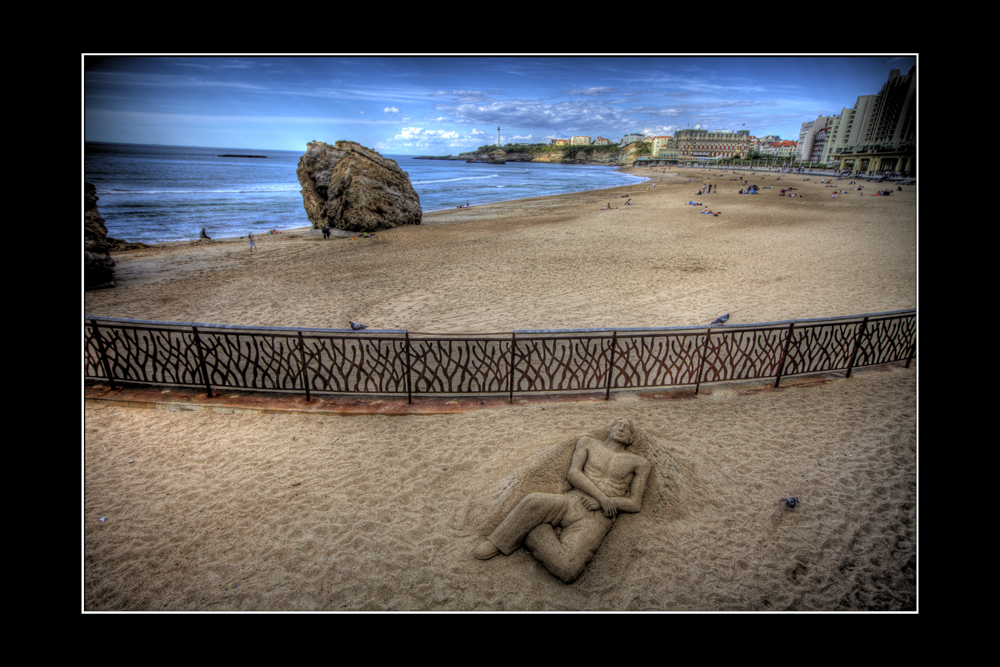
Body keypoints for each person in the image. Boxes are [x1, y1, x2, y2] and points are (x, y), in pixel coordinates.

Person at [473, 418, 652, 583]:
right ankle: (497, 542)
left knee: (568, 570)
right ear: (610, 429)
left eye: (626, 428)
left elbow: (635, 503)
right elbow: (574, 473)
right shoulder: (588, 443)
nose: (621, 428)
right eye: (618, 424)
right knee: (533, 500)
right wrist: (602, 498)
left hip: (597, 517)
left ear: (630, 438)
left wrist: (604, 503)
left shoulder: (639, 463)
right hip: (573, 500)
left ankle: (533, 533)